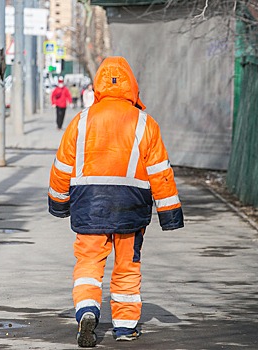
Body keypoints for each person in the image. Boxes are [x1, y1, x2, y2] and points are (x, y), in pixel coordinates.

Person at [47, 56, 184, 347]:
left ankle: (87, 310)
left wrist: (58, 202)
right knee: (127, 266)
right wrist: (170, 213)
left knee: (88, 263)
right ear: (132, 85)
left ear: (98, 86)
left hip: (88, 205)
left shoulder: (81, 121)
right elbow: (160, 172)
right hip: (131, 205)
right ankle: (125, 327)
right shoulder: (145, 123)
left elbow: (62, 166)